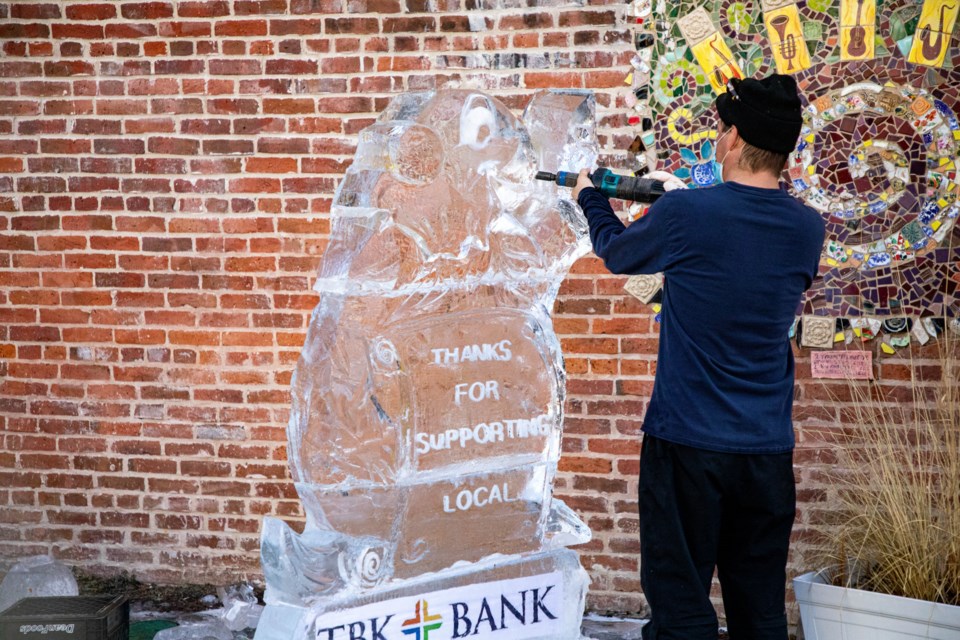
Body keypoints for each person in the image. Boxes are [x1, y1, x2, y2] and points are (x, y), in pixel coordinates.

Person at [572, 74, 826, 640]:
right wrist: (679, 202)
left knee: (682, 609)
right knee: (759, 610)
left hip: (686, 443)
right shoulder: (808, 228)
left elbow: (617, 252)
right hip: (764, 451)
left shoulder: (688, 217)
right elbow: (739, 246)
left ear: (732, 139)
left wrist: (591, 194)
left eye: (720, 129)